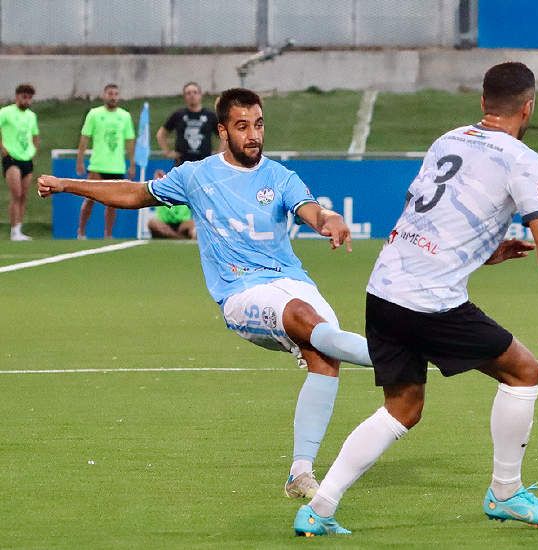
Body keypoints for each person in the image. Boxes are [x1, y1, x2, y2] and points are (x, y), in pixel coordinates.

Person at [39, 87, 373, 500]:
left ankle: (300, 473)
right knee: (309, 320)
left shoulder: (280, 176)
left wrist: (330, 218)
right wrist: (67, 185)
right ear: (223, 131)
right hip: (241, 292)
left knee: (326, 355)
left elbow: (312, 210)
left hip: (292, 281)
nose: (254, 135)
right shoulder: (196, 175)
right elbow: (134, 193)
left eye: (259, 124)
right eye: (242, 126)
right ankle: (399, 353)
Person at [293, 62, 538, 537]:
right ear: (528, 106)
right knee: (524, 370)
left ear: (482, 102)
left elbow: (425, 217)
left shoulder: (447, 140)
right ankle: (505, 494)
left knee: (403, 405)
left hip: (383, 290)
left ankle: (319, 508)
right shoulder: (520, 158)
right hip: (429, 301)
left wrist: (487, 253)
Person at [76, 83, 136, 239]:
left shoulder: (125, 116)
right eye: (110, 93)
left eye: (116, 94)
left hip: (116, 166)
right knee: (89, 199)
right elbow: (85, 138)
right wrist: (80, 160)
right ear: (104, 95)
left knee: (112, 203)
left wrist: (132, 163)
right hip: (98, 164)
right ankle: (81, 232)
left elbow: (130, 141)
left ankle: (108, 234)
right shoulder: (94, 114)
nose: (113, 97)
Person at [0, 83, 40, 241]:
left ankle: (19, 228)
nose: (27, 100)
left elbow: (35, 136)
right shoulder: (6, 112)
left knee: (24, 195)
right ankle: (14, 230)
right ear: (17, 97)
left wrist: (33, 151)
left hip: (26, 158)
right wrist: (3, 148)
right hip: (12, 159)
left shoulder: (31, 116)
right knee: (16, 194)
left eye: (29, 98)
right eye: (24, 97)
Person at [156, 82, 219, 166]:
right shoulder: (178, 115)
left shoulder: (210, 115)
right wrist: (167, 152)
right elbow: (161, 134)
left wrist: (219, 153)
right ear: (184, 97)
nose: (192, 95)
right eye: (188, 93)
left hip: (204, 164)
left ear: (200, 95)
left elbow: (224, 136)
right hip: (182, 164)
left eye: (195, 92)